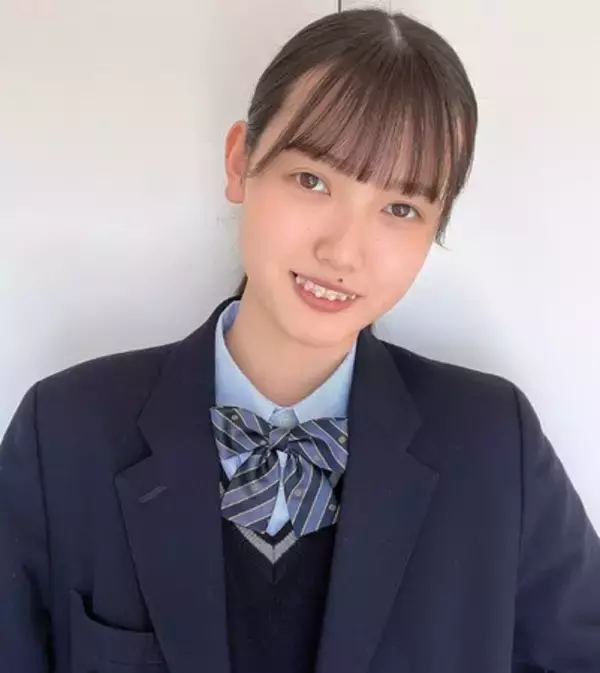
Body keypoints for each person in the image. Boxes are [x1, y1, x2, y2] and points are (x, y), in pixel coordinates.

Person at [1, 7, 599, 673]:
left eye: (400, 208)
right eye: (312, 180)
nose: (343, 251)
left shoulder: (494, 446)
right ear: (240, 161)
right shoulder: (66, 433)